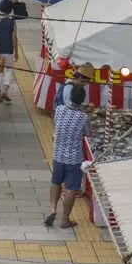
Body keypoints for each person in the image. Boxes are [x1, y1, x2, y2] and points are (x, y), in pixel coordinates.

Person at [45, 84, 90, 229]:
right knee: (71, 188)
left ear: (70, 97)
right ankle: (65, 219)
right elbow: (88, 133)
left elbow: (56, 124)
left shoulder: (60, 109)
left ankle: (52, 209)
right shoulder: (83, 117)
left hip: (58, 154)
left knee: (56, 182)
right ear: (82, 100)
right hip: (74, 158)